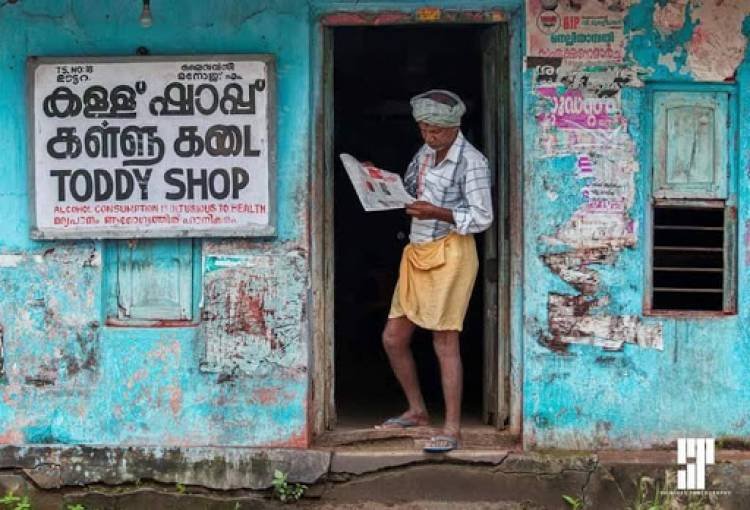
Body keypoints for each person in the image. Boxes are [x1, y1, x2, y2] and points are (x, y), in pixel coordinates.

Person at [378, 89, 494, 453]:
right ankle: (416, 410)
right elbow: (414, 190)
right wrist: (384, 188)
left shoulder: (471, 161)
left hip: (452, 251)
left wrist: (437, 213)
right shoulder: (425, 153)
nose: (429, 137)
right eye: (424, 129)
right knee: (394, 337)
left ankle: (453, 427)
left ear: (454, 127)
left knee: (444, 340)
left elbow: (482, 217)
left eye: (436, 131)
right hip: (418, 251)